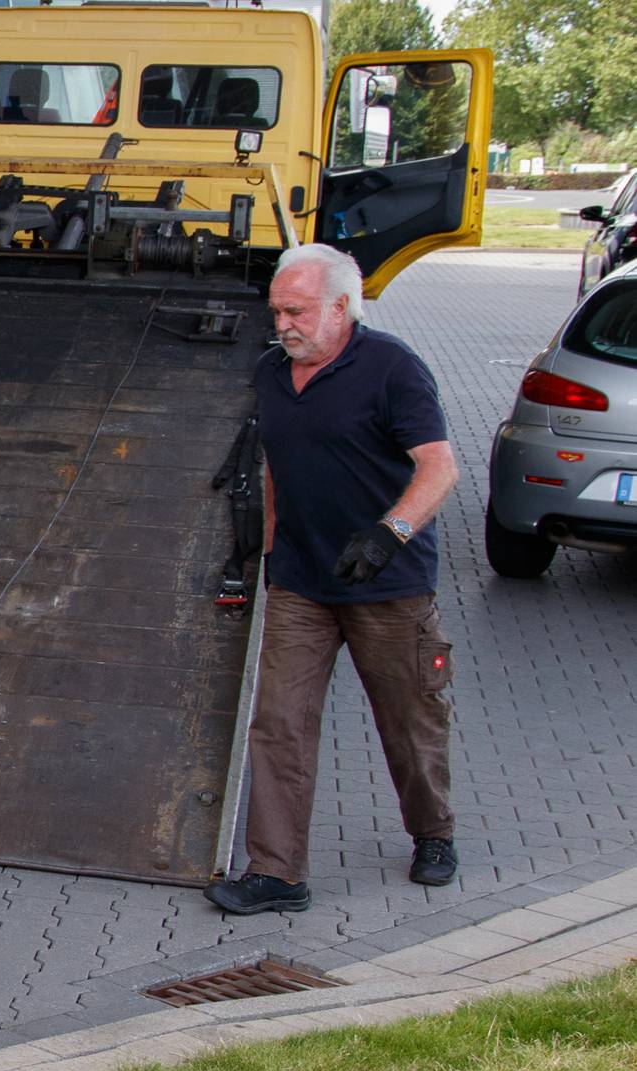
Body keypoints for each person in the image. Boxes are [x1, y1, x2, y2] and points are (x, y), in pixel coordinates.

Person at [208, 243, 459, 915]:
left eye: (296, 311)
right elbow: (271, 469)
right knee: (280, 723)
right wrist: (260, 552)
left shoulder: (392, 370)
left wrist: (388, 536)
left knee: (409, 720)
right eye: (277, 311)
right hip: (300, 583)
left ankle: (433, 832)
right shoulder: (270, 372)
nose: (282, 324)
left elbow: (439, 467)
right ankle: (277, 873)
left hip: (389, 585)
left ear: (341, 308)